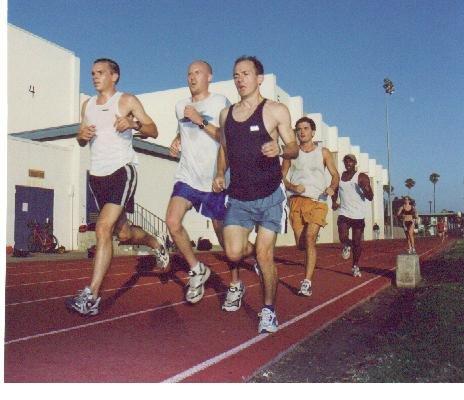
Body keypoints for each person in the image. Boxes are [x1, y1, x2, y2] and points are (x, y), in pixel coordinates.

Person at [66, 58, 168, 316]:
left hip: (122, 170)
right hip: (97, 175)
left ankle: (91, 296)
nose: (95, 77)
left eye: (100, 73)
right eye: (92, 73)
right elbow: (80, 138)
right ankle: (156, 243)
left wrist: (133, 124)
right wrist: (81, 137)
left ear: (115, 76)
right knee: (122, 234)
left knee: (102, 228)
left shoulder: (127, 101)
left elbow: (153, 130)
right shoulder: (87, 105)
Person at [213, 55, 298, 333]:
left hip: (270, 195)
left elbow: (294, 147)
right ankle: (265, 269)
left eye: (246, 74)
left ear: (259, 78)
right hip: (239, 196)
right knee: (233, 252)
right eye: (236, 75)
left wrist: (281, 150)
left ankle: (269, 310)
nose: (240, 79)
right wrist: (218, 173)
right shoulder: (226, 115)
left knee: (263, 254)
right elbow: (224, 149)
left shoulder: (275, 110)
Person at [166, 60, 231, 304]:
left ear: (210, 76)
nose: (192, 77)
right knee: (172, 222)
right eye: (189, 73)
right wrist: (176, 139)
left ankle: (236, 279)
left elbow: (226, 137)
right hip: (187, 176)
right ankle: (196, 269)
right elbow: (183, 129)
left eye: (198, 73)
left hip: (214, 178)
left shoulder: (220, 102)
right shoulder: (180, 106)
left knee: (226, 239)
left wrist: (199, 120)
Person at [281, 116, 339, 297]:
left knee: (310, 238)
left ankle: (306, 282)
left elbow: (335, 175)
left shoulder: (324, 152)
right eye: (298, 129)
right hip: (297, 201)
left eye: (305, 128)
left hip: (318, 201)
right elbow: (281, 177)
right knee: (301, 244)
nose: (302, 132)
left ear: (313, 132)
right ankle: (309, 243)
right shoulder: (291, 153)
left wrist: (332, 187)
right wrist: (292, 186)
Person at [332, 154, 373, 277]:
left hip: (358, 216)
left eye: (350, 162)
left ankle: (355, 266)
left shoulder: (361, 177)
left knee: (357, 243)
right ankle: (346, 244)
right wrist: (334, 201)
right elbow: (335, 191)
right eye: (346, 162)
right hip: (344, 212)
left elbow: (371, 197)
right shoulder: (340, 177)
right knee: (342, 236)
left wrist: (366, 190)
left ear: (355, 163)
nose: (348, 163)